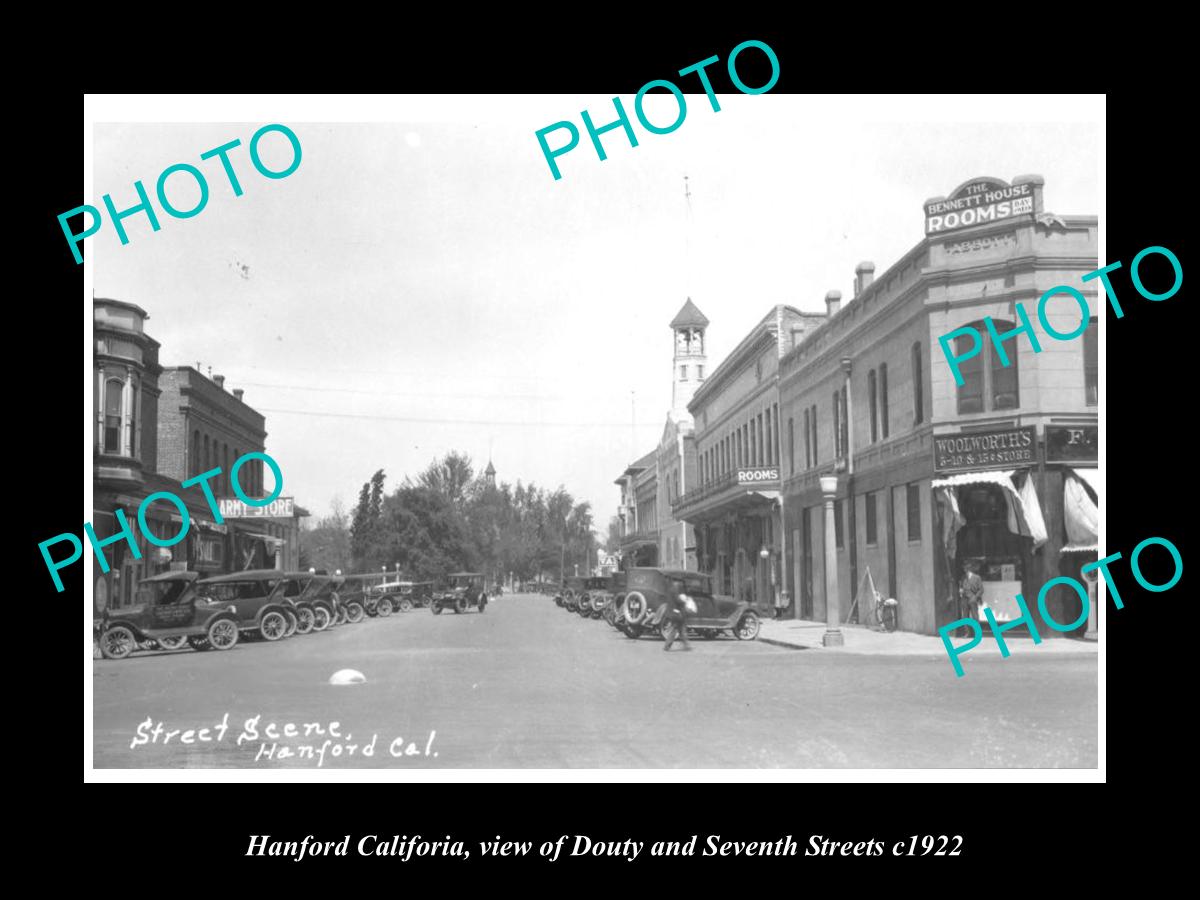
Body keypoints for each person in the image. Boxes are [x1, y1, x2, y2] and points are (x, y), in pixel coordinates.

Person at [663, 579, 692, 652]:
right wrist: (685, 600)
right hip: (677, 613)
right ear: (676, 583)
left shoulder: (670, 590)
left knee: (681, 630)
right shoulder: (675, 590)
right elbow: (677, 600)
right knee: (676, 629)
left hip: (672, 613)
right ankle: (667, 646)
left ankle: (686, 645)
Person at [958, 559, 984, 637]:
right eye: (964, 569)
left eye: (966, 569)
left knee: (975, 616)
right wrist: (961, 590)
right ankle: (967, 633)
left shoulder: (977, 578)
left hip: (972, 599)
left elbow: (981, 589)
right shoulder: (963, 577)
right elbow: (962, 586)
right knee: (965, 617)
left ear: (970, 570)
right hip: (964, 599)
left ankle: (977, 633)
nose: (965, 571)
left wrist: (975, 597)